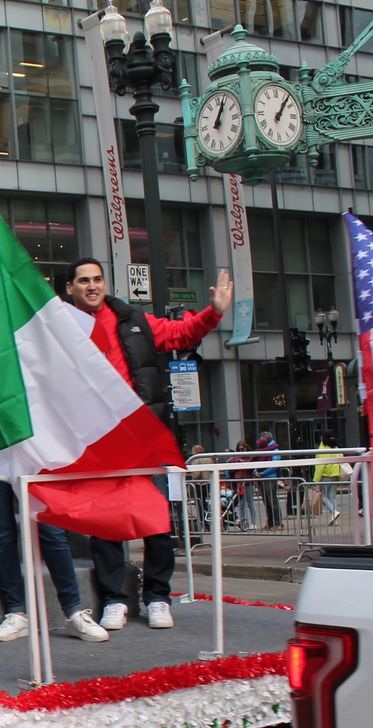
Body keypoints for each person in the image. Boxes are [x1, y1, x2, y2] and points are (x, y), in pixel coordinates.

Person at [64, 257, 233, 631]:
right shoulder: (62, 330)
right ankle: (113, 600)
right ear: (70, 289)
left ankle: (158, 597)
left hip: (145, 438)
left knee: (158, 522)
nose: (92, 285)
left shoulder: (134, 320)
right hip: (99, 441)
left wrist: (214, 312)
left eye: (97, 279)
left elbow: (180, 333)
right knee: (106, 526)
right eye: (84, 281)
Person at [0, 285, 108, 643]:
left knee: (50, 530)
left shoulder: (20, 347)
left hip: (28, 451)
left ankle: (74, 611)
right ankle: (16, 612)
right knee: (1, 536)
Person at [313, 432, 342, 525]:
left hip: (325, 476)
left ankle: (334, 512)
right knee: (332, 497)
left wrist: (316, 480)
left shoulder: (321, 450)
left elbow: (320, 466)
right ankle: (334, 519)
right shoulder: (336, 448)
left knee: (323, 497)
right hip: (335, 475)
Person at [255, 431, 283, 530]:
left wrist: (262, 473)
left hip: (270, 478)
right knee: (266, 501)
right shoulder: (262, 449)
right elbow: (255, 461)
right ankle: (270, 522)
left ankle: (278, 523)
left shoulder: (275, 450)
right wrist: (255, 471)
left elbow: (274, 466)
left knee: (272, 501)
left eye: (262, 438)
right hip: (262, 478)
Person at [229, 440, 257, 529]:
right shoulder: (235, 458)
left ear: (246, 448)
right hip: (239, 482)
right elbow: (231, 470)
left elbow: (252, 468)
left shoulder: (250, 457)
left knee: (250, 503)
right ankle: (243, 522)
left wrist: (244, 463)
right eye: (239, 449)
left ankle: (253, 522)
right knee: (241, 504)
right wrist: (237, 464)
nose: (241, 451)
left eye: (243, 449)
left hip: (248, 482)